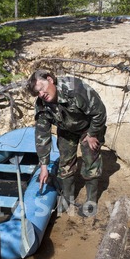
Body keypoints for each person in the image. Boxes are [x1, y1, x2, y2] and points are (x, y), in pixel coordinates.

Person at [27, 69, 107, 217]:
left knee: (91, 163)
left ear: (50, 79)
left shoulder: (75, 89)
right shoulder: (42, 104)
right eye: (37, 93)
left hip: (88, 128)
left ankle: (91, 201)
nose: (41, 94)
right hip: (66, 129)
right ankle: (67, 198)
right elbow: (42, 135)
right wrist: (43, 166)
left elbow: (99, 112)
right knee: (65, 164)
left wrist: (92, 133)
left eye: (42, 88)